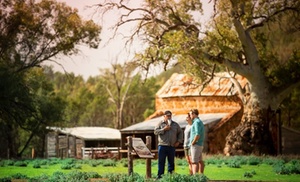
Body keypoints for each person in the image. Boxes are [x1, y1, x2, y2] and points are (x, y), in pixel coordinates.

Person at [154, 110, 183, 179]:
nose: (169, 117)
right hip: (162, 146)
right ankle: (160, 177)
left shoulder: (175, 124)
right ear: (164, 116)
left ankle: (170, 177)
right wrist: (164, 129)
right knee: (161, 162)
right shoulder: (160, 123)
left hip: (171, 146)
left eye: (170, 115)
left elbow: (180, 132)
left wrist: (178, 141)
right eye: (167, 115)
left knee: (171, 163)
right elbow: (155, 132)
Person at [188, 109, 205, 174]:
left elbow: (197, 134)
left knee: (194, 162)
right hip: (199, 144)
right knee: (200, 161)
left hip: (196, 144)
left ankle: (195, 178)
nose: (190, 116)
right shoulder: (199, 121)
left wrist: (193, 143)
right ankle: (200, 176)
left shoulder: (196, 122)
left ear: (194, 114)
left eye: (190, 114)